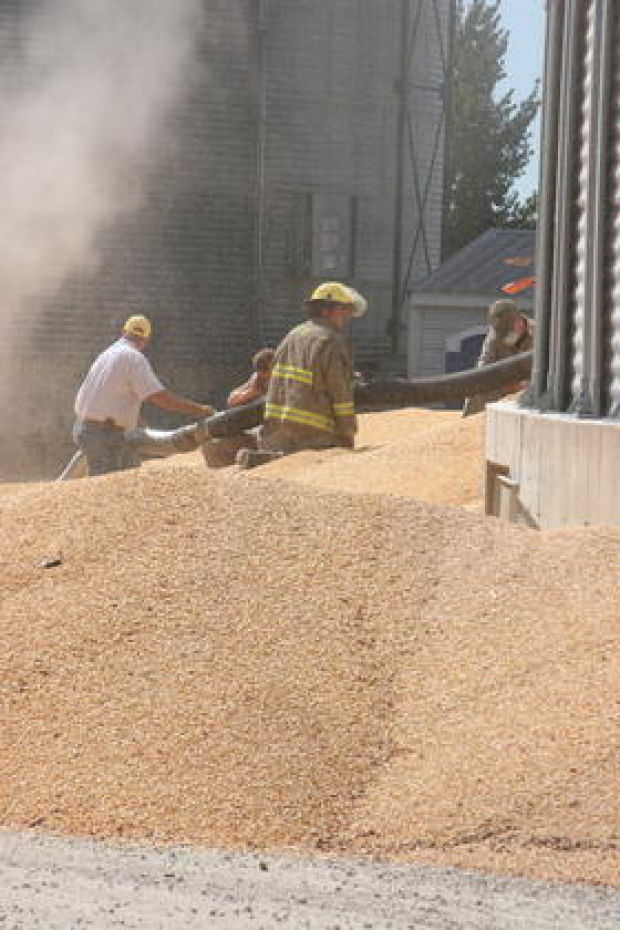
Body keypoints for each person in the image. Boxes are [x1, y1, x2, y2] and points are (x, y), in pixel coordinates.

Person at [237, 281, 367, 469]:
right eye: (344, 310)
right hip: (313, 432)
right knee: (325, 464)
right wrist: (347, 433)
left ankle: (266, 459)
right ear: (327, 310)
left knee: (286, 458)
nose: (347, 316)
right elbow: (341, 395)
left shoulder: (292, 335)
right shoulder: (331, 341)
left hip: (276, 430)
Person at [73, 314, 214, 476]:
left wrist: (137, 421)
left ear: (124, 332)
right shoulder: (134, 358)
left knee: (129, 471)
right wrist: (198, 409)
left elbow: (111, 396)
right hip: (105, 434)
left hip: (87, 428)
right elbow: (159, 397)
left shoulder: (107, 354)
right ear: (146, 340)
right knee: (108, 484)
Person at [201, 347, 275, 468]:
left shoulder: (284, 377)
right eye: (262, 373)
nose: (266, 377)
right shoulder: (257, 380)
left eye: (267, 372)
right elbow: (232, 400)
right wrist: (251, 393)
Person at [462, 299, 534, 417]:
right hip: (502, 385)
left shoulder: (540, 334)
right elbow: (484, 365)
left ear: (519, 321)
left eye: (506, 330)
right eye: (500, 331)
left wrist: (524, 385)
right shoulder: (494, 336)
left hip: (532, 389)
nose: (502, 335)